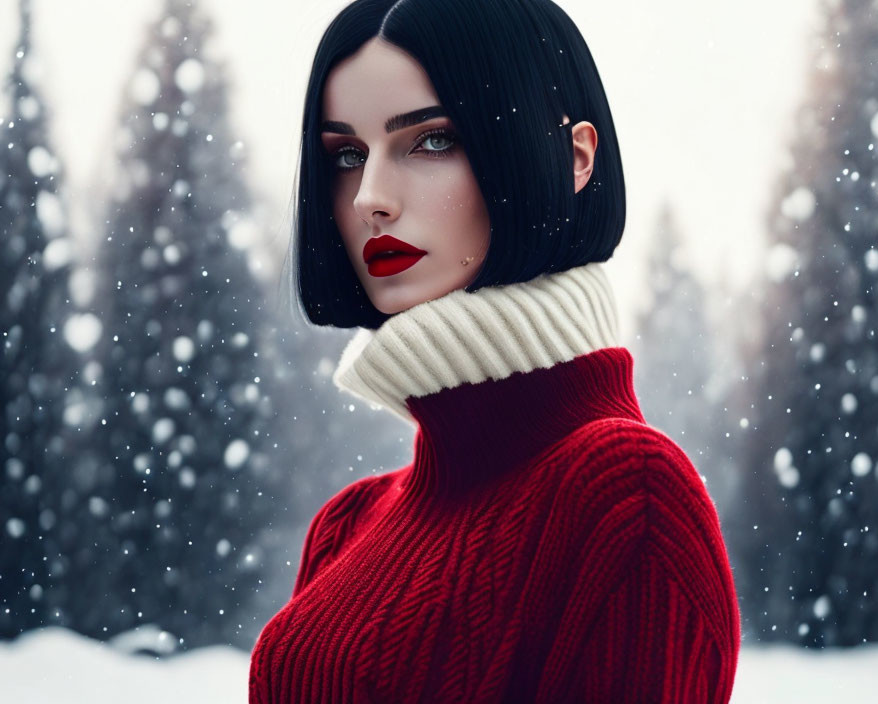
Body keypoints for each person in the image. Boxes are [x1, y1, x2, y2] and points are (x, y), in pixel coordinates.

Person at [249, 0, 740, 701]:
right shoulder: (348, 525)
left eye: (430, 141)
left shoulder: (629, 496)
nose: (370, 198)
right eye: (347, 155)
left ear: (574, 158)